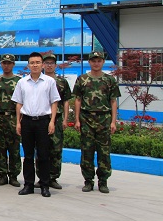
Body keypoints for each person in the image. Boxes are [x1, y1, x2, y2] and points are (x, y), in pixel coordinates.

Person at [11, 52, 60, 197]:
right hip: (26, 121)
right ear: (28, 65)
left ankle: (45, 185)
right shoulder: (22, 82)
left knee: (43, 155)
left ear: (42, 65)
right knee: (28, 156)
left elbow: (54, 102)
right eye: (32, 63)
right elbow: (18, 103)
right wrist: (18, 122)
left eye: (38, 62)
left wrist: (52, 121)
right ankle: (28, 185)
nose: (35, 65)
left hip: (43, 121)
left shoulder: (49, 82)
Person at [73, 51, 120, 194]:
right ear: (89, 62)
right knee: (86, 151)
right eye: (93, 61)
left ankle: (103, 181)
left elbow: (113, 101)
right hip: (86, 119)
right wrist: (77, 120)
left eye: (99, 61)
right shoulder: (82, 79)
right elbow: (78, 100)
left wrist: (113, 122)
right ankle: (88, 181)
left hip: (104, 119)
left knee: (104, 152)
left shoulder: (109, 80)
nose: (96, 63)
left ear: (103, 62)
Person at [41, 53, 72, 190]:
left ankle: (53, 177)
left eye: (51, 63)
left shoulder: (61, 82)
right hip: (41, 118)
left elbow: (66, 101)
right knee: (40, 149)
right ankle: (42, 177)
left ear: (55, 65)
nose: (49, 65)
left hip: (57, 118)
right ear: (43, 65)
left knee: (56, 148)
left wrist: (65, 119)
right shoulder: (38, 80)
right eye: (46, 63)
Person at [0, 53, 22, 187]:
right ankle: (2, 175)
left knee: (14, 148)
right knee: (0, 147)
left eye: (9, 63)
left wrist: (20, 120)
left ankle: (14, 175)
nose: (6, 65)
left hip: (13, 117)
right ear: (1, 64)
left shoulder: (19, 81)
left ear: (13, 64)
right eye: (4, 63)